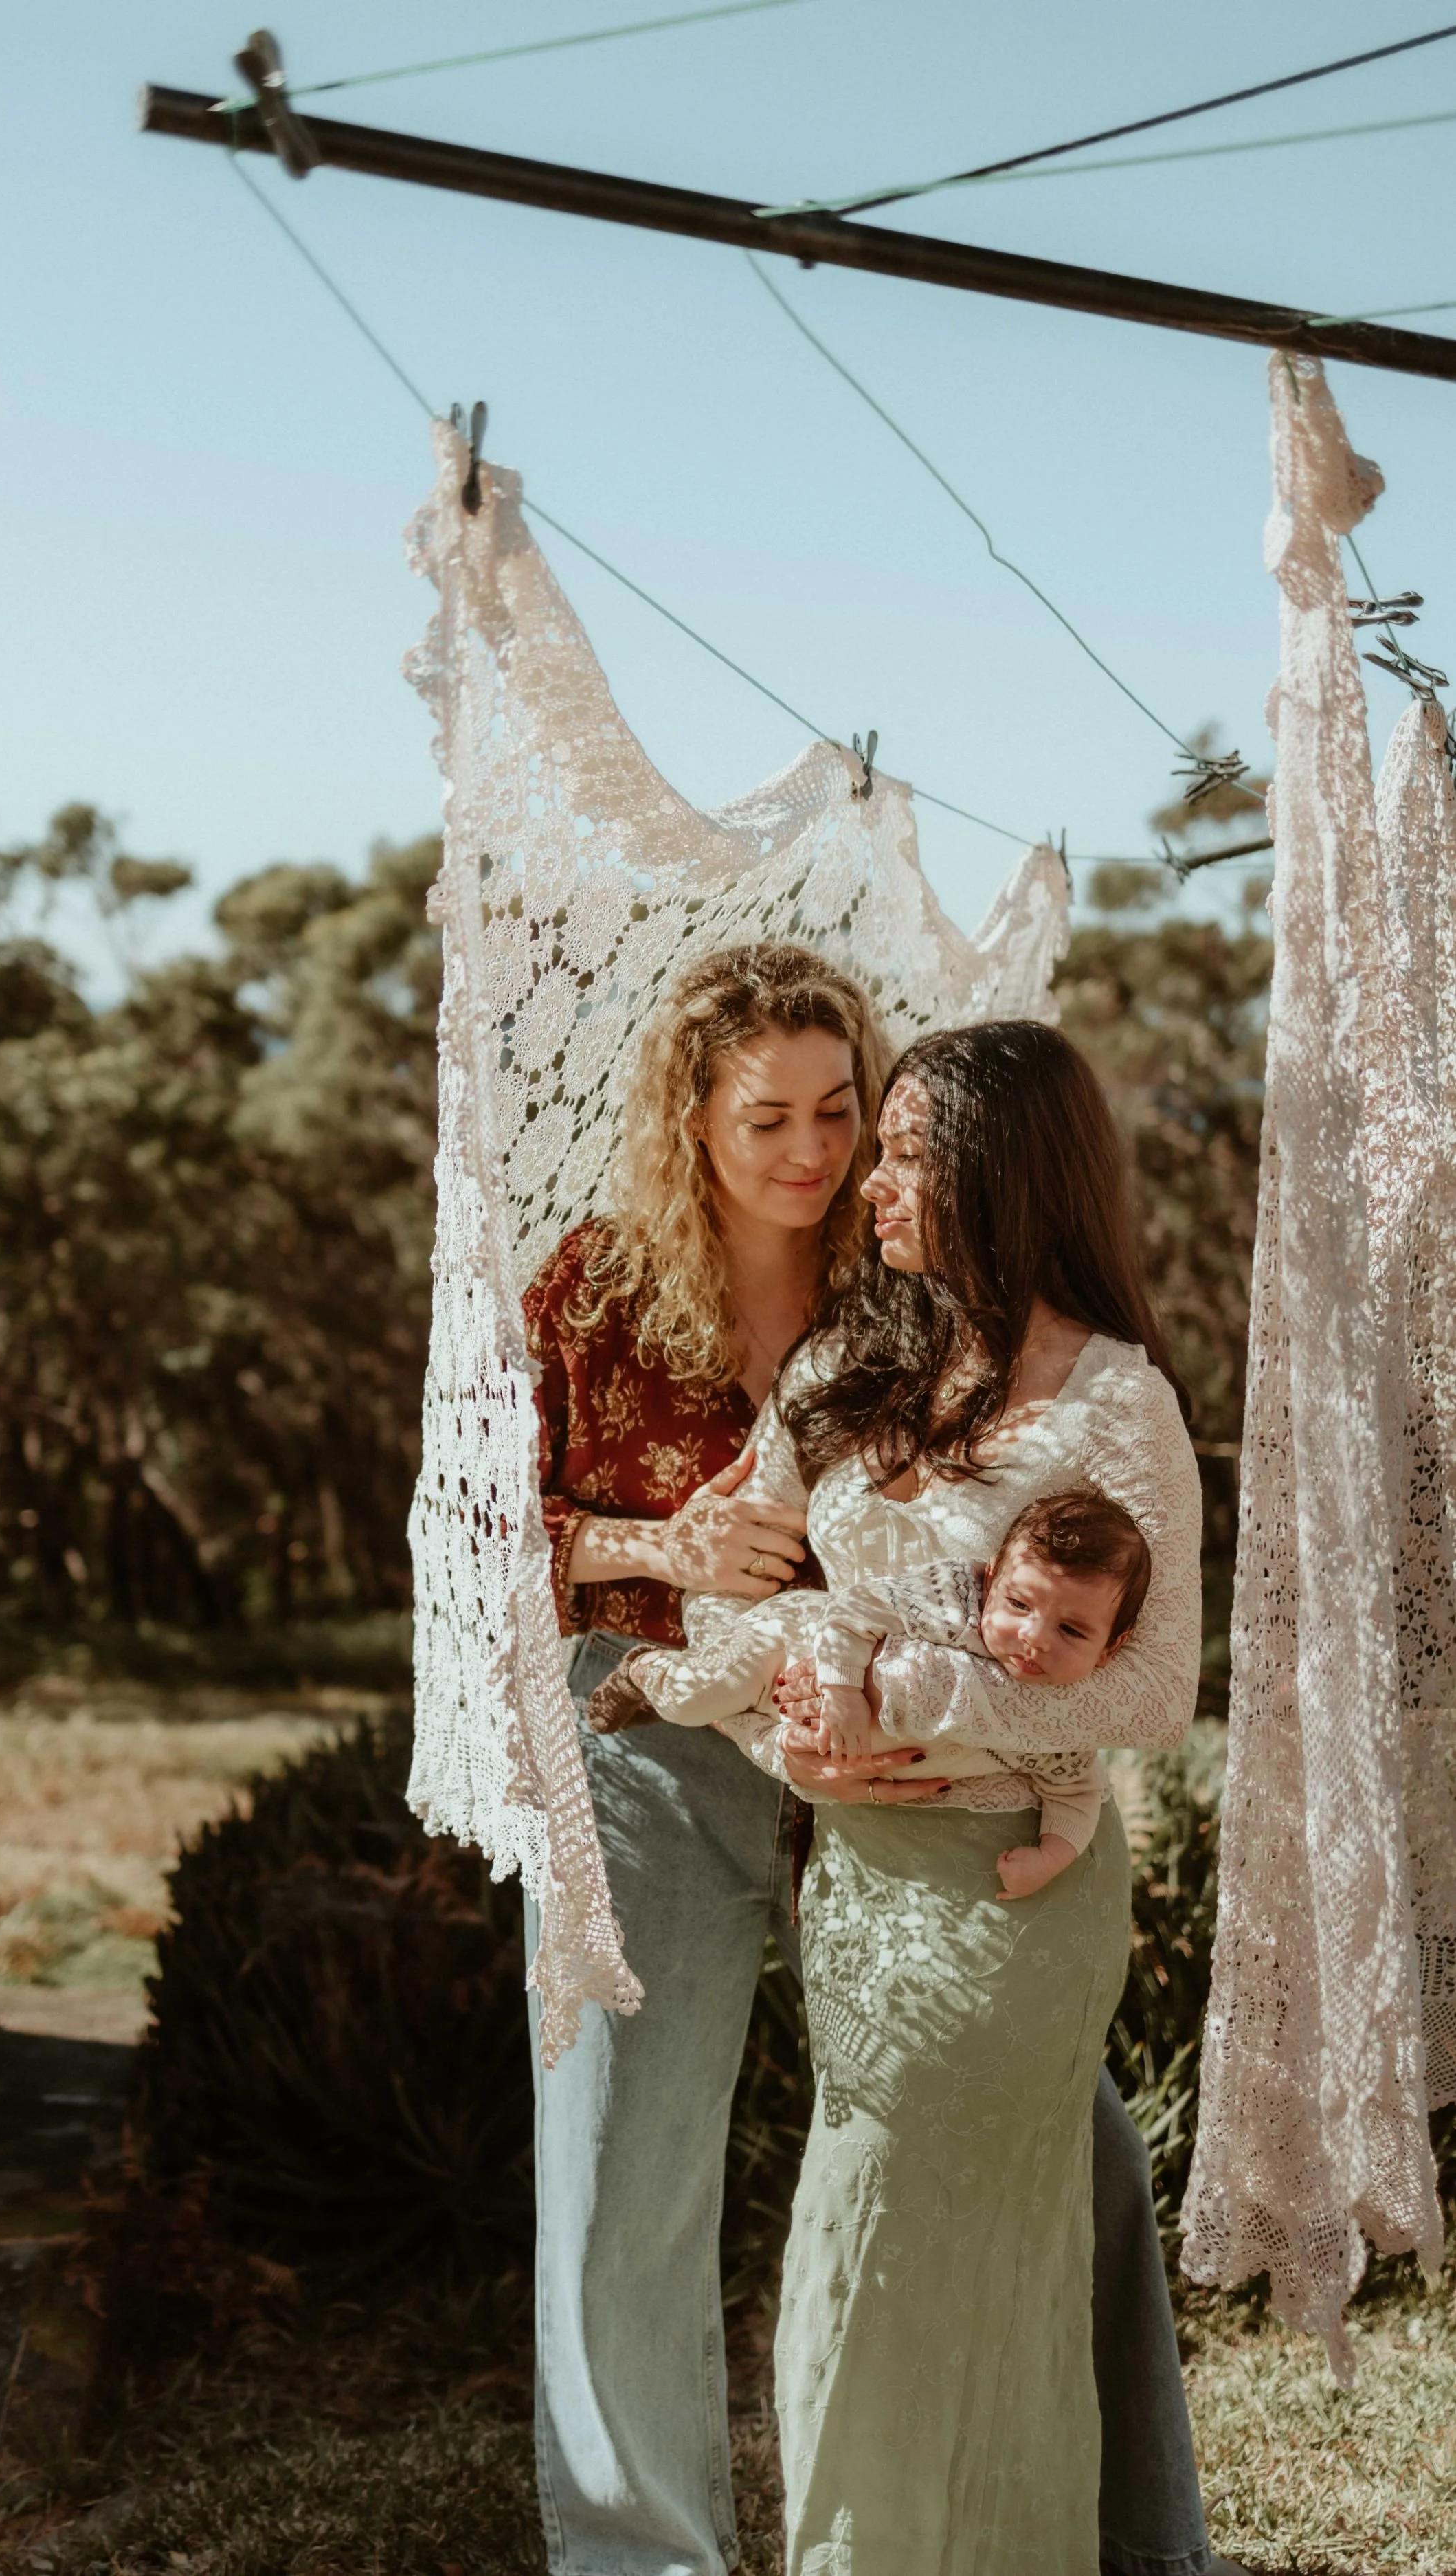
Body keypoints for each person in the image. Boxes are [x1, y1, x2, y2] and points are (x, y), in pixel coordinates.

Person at [524, 949, 1225, 2576]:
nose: (818, 1153)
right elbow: (475, 1529)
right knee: (627, 2154)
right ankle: (646, 2556)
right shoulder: (598, 1289)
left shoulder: (900, 1279)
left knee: (1064, 2144)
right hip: (673, 1727)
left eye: (847, 1113)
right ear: (686, 1120)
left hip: (925, 1805)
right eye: (766, 1116)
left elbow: (1056, 1624)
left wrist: (880, 1718)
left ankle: (1130, 2530)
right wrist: (663, 1544)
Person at [702, 1020, 1202, 2573]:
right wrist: (793, 1747)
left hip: (1016, 1897)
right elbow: (735, 1611)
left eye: (914, 1152)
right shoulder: (843, 1366)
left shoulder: (1120, 1405)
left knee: (938, 2253)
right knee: (879, 2237)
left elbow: (1146, 1690)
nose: (876, 1182)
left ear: (1007, 1171)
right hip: (855, 1891)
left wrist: (926, 1712)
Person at [583, 1484, 1148, 1896]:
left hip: (813, 1737)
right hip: (790, 1642)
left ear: (1112, 1647)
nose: (1033, 1637)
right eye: (1018, 1604)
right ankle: (645, 1671)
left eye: (1071, 1630)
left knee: (735, 1717)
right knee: (695, 1699)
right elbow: (854, 1611)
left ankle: (720, 1711)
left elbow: (1078, 1793)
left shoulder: (1060, 1725)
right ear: (992, 1575)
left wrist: (1050, 1857)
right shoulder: (954, 1600)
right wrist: (845, 1692)